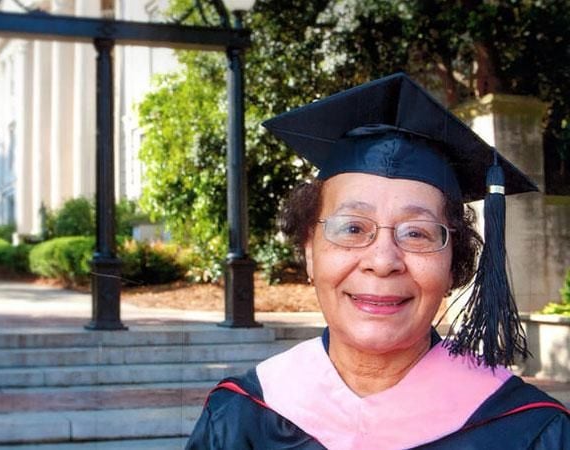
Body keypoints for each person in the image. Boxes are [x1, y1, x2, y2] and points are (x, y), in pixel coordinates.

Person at [186, 74, 570, 449]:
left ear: (455, 263)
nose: (383, 260)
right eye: (352, 228)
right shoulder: (241, 417)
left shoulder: (528, 430)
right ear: (309, 253)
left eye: (416, 233)